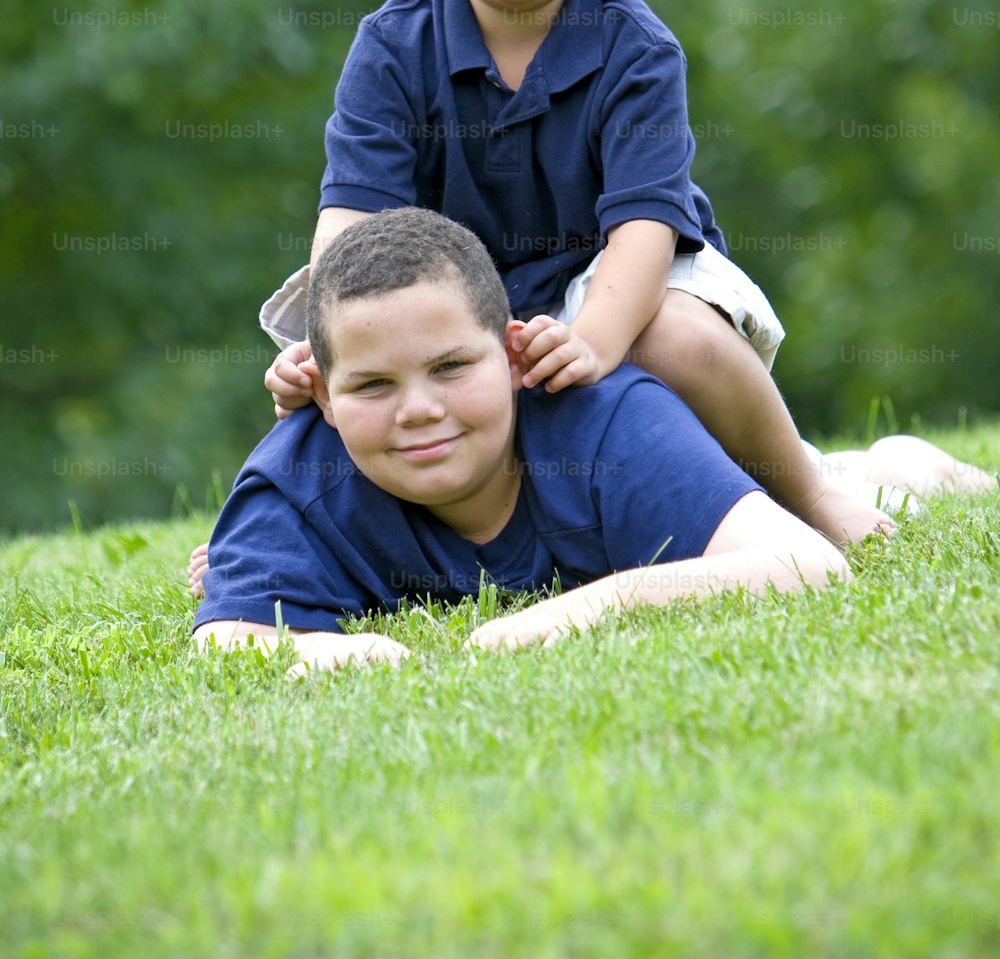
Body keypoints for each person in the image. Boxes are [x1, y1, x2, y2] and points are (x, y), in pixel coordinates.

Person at [256, 0, 940, 546]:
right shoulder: (391, 47)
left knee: (672, 340)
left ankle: (812, 493)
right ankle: (272, 531)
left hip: (621, 282)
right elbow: (353, 226)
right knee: (353, 383)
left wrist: (593, 340)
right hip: (464, 299)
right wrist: (325, 348)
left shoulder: (635, 48)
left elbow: (644, 230)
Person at [192, 209, 852, 670]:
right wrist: (334, 652)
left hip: (726, 473)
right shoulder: (298, 477)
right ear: (323, 398)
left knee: (884, 479)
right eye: (372, 386)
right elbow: (226, 636)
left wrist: (577, 612)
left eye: (450, 367)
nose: (418, 410)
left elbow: (809, 564)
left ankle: (908, 465)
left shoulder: (608, 425)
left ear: (513, 357)